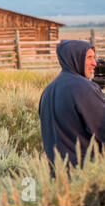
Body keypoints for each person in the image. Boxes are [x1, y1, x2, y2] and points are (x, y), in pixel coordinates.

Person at [39, 39, 104, 170]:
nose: (94, 63)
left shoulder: (47, 91)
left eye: (94, 57)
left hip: (56, 176)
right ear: (75, 59)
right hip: (85, 176)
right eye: (89, 57)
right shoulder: (84, 88)